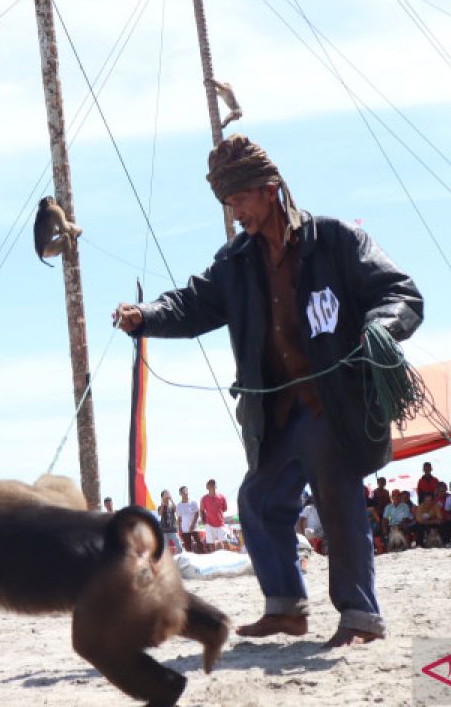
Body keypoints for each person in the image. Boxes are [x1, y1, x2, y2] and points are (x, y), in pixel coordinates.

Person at [113, 135, 423, 645]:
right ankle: (286, 608)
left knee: (337, 497)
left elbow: (400, 293)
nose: (235, 213)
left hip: (333, 404)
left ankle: (360, 617)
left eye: (240, 200)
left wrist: (381, 329)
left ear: (271, 189)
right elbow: (192, 305)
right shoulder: (236, 264)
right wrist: (143, 317)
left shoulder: (337, 241)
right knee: (257, 500)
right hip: (276, 412)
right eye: (228, 204)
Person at [199, 479, 229, 552]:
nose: (212, 486)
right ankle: (214, 557)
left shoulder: (222, 497)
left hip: (220, 523)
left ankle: (229, 556)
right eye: (210, 484)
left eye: (213, 484)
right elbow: (202, 510)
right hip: (209, 524)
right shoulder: (204, 498)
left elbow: (225, 509)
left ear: (216, 486)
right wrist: (204, 521)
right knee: (211, 543)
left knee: (225, 541)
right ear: (207, 487)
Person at [175, 486, 201, 553]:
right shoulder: (178, 506)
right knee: (188, 546)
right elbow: (179, 518)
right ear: (180, 494)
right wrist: (180, 529)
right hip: (185, 529)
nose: (185, 493)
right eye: (183, 492)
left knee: (199, 543)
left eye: (186, 491)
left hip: (195, 528)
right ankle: (190, 561)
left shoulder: (193, 502)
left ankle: (203, 558)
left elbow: (197, 514)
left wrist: (193, 525)